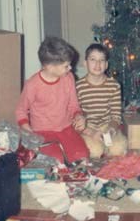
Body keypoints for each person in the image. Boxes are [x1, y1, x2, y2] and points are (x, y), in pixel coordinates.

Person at [15, 36, 89, 164]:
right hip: (43, 132)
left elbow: (74, 105)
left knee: (82, 156)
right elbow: (20, 110)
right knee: (56, 161)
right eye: (66, 66)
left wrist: (78, 116)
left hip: (66, 129)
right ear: (49, 67)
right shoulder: (33, 85)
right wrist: (28, 130)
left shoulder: (69, 78)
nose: (70, 68)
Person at [74, 43, 127, 158]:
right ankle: (100, 149)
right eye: (93, 59)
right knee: (95, 151)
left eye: (101, 60)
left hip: (106, 127)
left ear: (106, 64)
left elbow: (116, 116)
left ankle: (107, 147)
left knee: (118, 149)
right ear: (85, 63)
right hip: (87, 128)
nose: (97, 64)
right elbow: (75, 117)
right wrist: (91, 132)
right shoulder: (77, 87)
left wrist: (110, 130)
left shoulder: (114, 86)